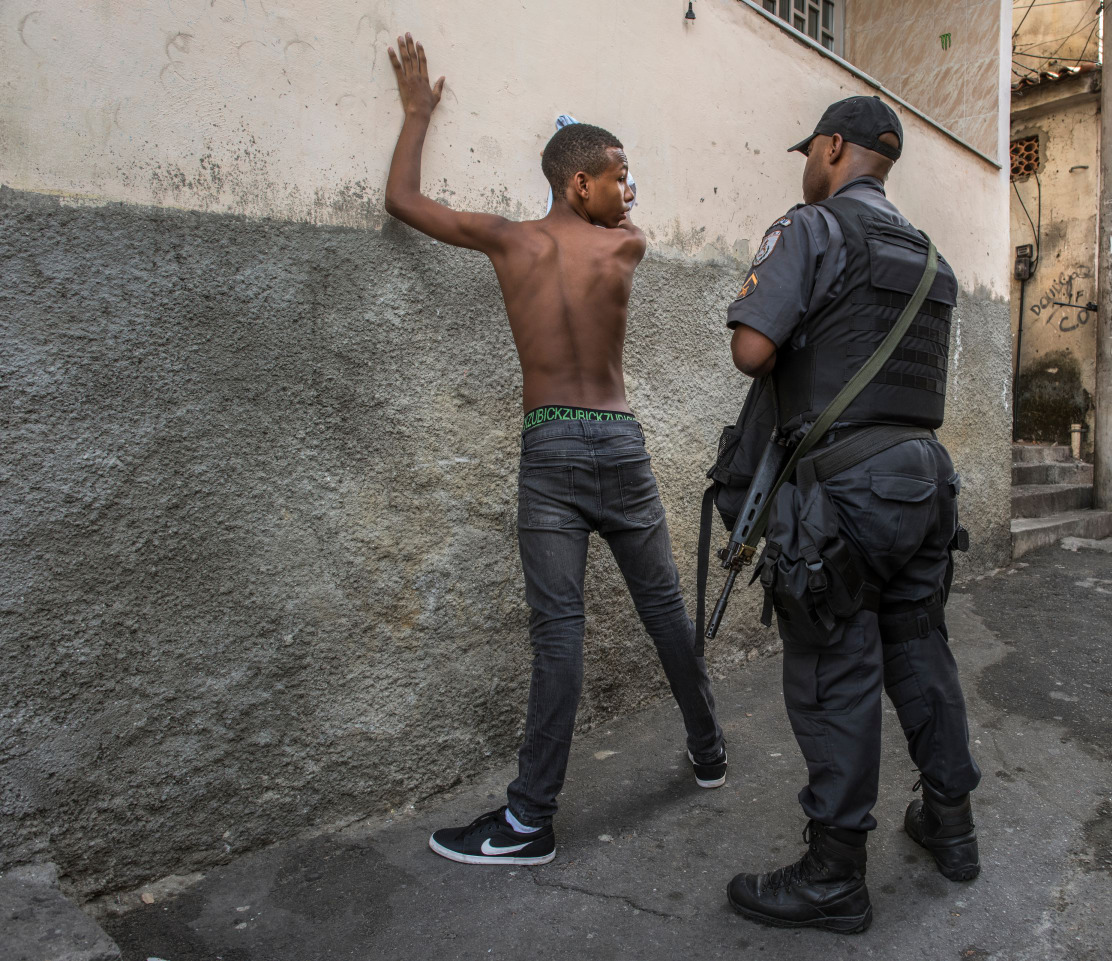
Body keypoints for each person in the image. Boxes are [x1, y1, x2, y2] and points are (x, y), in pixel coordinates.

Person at [382, 34, 726, 867]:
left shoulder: (509, 240)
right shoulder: (626, 246)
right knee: (663, 610)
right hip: (620, 439)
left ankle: (530, 819)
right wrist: (593, 167)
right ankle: (709, 750)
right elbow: (621, 215)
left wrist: (418, 113)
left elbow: (401, 200)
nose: (629, 188)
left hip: (551, 448)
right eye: (618, 173)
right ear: (582, 182)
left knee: (559, 633)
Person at [722, 96, 981, 934]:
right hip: (924, 482)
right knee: (918, 648)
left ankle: (834, 875)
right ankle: (952, 824)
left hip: (846, 492)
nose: (807, 162)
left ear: (833, 147)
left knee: (837, 670)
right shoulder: (929, 253)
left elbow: (750, 350)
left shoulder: (814, 227)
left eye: (811, 149)